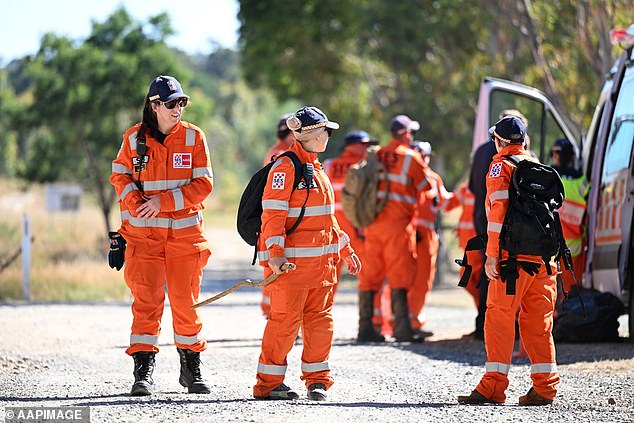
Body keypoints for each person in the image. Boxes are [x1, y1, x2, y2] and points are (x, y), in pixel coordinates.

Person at [110, 75, 214, 396]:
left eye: (181, 102)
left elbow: (204, 185)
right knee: (146, 304)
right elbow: (119, 175)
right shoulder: (133, 140)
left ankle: (191, 369)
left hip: (184, 241)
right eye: (171, 104)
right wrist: (135, 201)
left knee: (186, 305)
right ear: (154, 106)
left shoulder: (195, 138)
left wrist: (163, 202)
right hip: (143, 241)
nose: (177, 109)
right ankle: (142, 372)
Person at [253, 106, 361, 402]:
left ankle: (317, 382)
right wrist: (275, 254)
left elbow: (327, 219)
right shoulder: (285, 167)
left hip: (321, 269)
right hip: (290, 268)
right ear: (312, 134)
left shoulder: (316, 168)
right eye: (326, 130)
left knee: (320, 324)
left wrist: (346, 249)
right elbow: (272, 215)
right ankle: (268, 384)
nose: (329, 135)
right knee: (284, 323)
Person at [458, 116, 560, 406]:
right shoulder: (539, 168)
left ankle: (493, 387)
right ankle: (545, 388)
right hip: (543, 262)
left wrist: (492, 255)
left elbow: (497, 215)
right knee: (539, 324)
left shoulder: (499, 166)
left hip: (510, 263)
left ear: (498, 142)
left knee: (499, 320)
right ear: (524, 141)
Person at [361, 115, 432, 342]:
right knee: (400, 276)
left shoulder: (375, 154)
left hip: (372, 224)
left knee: (370, 276)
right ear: (406, 134)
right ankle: (402, 328)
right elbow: (426, 187)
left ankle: (365, 328)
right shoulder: (411, 158)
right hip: (398, 226)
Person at [467, 109, 529, 340]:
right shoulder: (533, 161)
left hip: (494, 230)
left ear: (498, 139)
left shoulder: (492, 160)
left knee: (492, 277)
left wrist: (492, 252)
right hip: (532, 244)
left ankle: (483, 325)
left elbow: (486, 198)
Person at [260, 113, 294, 319]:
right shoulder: (282, 155)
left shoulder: (277, 151)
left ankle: (274, 310)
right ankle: (275, 311)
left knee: (274, 267)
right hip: (277, 217)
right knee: (275, 267)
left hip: (273, 215)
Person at [550, 138, 588, 292]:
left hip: (549, 246)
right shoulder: (582, 182)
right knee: (571, 293)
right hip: (574, 249)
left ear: (555, 156)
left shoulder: (548, 177)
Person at [444, 181, 480, 307]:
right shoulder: (467, 187)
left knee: (474, 281)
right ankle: (483, 315)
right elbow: (447, 203)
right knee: (472, 282)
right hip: (470, 246)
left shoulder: (493, 183)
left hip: (482, 246)